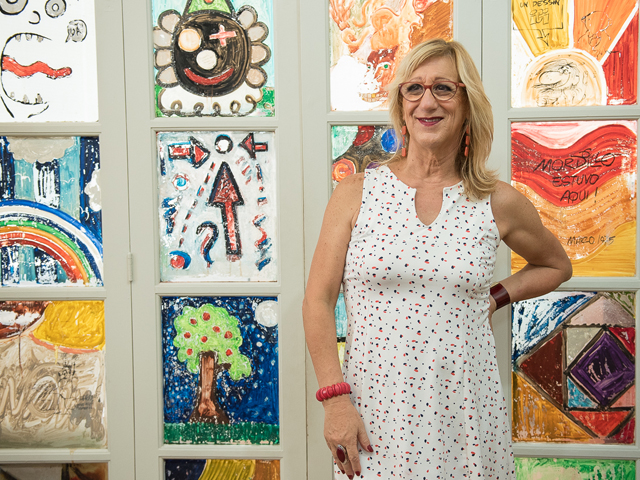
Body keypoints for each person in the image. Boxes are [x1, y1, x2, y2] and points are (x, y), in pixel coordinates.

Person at [302, 38, 572, 479]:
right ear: (401, 104)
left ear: (467, 104)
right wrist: (335, 400)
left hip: (466, 412)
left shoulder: (496, 201)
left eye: (444, 88)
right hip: (373, 413)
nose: (427, 102)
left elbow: (556, 265)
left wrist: (496, 297)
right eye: (414, 88)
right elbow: (318, 300)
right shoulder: (356, 193)